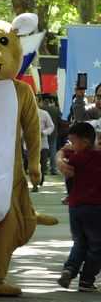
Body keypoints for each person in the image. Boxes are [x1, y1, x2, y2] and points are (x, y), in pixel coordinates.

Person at [56, 122, 101, 291]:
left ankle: (69, 269)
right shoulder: (95, 156)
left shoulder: (75, 157)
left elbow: (64, 152)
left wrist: (62, 154)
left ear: (86, 142)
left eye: (73, 142)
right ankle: (87, 279)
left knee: (79, 242)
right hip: (95, 208)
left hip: (75, 207)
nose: (72, 146)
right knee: (96, 245)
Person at [36, 102, 55, 191]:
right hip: (30, 145)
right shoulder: (25, 113)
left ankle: (41, 176)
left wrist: (44, 132)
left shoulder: (44, 113)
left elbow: (51, 126)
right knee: (34, 164)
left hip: (43, 144)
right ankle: (35, 183)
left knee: (43, 164)